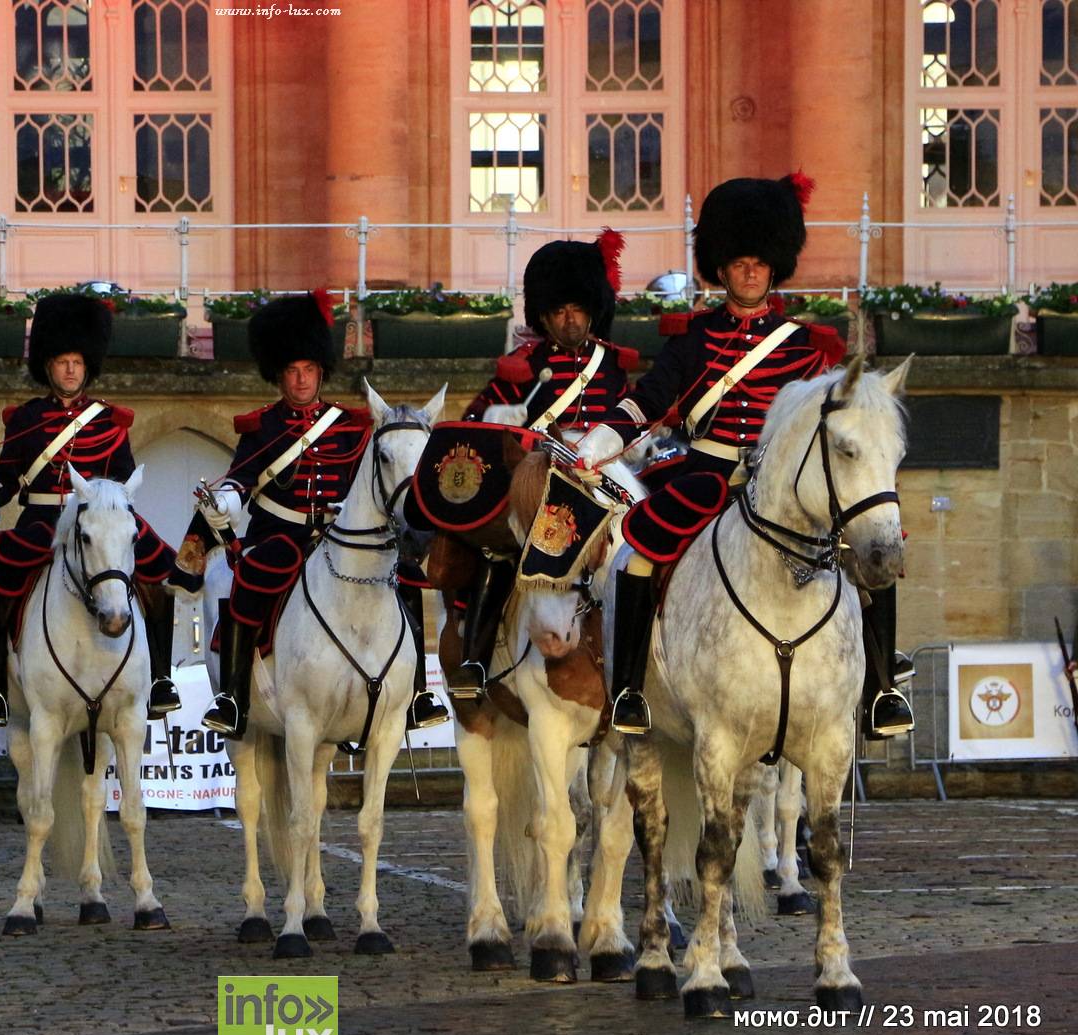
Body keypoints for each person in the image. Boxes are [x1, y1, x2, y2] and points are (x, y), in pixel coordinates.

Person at [575, 173, 913, 739]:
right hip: (705, 474)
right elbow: (649, 401)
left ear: (774, 267)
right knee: (639, 550)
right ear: (721, 269)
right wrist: (603, 440)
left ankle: (881, 689)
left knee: (877, 547)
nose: (750, 271)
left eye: (759, 261)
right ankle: (631, 689)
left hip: (784, 483)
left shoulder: (808, 347)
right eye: (738, 263)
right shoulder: (692, 339)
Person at [195, 291, 447, 739]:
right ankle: (232, 696)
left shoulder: (348, 426)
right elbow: (241, 477)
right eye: (292, 371)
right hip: (279, 534)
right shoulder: (262, 426)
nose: (301, 380)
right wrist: (226, 502)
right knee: (256, 571)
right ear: (279, 375)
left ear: (320, 371)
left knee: (406, 575)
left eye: (308, 370)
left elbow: (368, 483)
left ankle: (417, 694)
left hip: (341, 535)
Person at [0, 293, 195, 724]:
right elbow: (7, 477)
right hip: (42, 523)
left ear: (87, 366)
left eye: (76, 362)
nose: (70, 370)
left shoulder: (110, 420)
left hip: (100, 521)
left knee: (161, 577)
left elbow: (126, 482)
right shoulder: (25, 418)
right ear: (48, 367)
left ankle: (160, 680)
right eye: (61, 362)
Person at [443, 231, 635, 706]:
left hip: (607, 487)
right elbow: (477, 423)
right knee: (501, 554)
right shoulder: (523, 368)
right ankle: (476, 657)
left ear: (592, 310)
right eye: (558, 311)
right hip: (543, 490)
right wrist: (502, 423)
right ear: (544, 316)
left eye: (577, 309)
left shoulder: (613, 367)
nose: (569, 320)